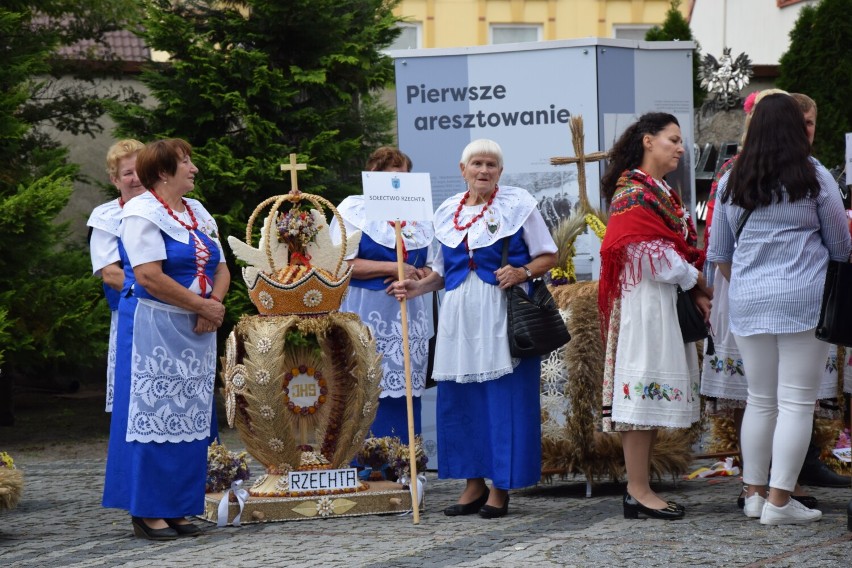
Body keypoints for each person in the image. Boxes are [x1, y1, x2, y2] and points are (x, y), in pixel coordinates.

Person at [391, 139, 557, 518]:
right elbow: (439, 271)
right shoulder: (447, 211)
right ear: (462, 169)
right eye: (477, 164)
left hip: (501, 315)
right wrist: (415, 286)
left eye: (492, 165)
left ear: (500, 171)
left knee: (503, 400)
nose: (484, 170)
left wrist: (522, 271)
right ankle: (472, 485)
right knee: (461, 400)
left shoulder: (518, 205)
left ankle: (501, 487)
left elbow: (549, 253)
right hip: (457, 318)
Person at [708, 93, 851, 525]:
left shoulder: (732, 178)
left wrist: (751, 283)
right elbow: (841, 245)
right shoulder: (813, 175)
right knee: (795, 403)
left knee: (760, 400)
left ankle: (753, 495)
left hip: (748, 301)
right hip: (804, 300)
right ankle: (780, 501)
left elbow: (719, 251)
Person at [102, 139, 230, 540]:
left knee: (190, 419)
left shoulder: (198, 211)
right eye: (185, 162)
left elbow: (222, 266)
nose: (193, 168)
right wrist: (202, 306)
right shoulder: (142, 213)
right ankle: (148, 510)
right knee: (154, 414)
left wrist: (213, 307)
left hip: (195, 329)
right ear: (162, 173)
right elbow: (148, 276)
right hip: (155, 328)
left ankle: (178, 506)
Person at [598, 112, 709, 520]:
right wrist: (697, 279)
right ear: (648, 141)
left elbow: (670, 250)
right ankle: (638, 489)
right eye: (673, 139)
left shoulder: (661, 191)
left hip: (663, 302)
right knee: (640, 395)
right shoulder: (633, 191)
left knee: (647, 397)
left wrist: (692, 283)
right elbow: (646, 253)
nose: (680, 148)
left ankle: (639, 488)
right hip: (644, 303)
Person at [330, 147, 434, 444]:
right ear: (373, 178)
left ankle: (405, 467)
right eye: (391, 176)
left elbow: (432, 266)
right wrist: (393, 266)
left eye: (403, 176)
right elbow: (339, 265)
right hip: (368, 314)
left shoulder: (418, 216)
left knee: (404, 393)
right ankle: (367, 468)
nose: (397, 183)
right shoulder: (353, 209)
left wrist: (419, 275)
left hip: (407, 315)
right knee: (367, 389)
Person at [87, 139, 145, 412]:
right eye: (127, 173)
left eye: (141, 170)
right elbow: (111, 274)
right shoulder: (106, 216)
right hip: (132, 314)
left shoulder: (170, 209)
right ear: (114, 179)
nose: (136, 179)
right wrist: (164, 296)